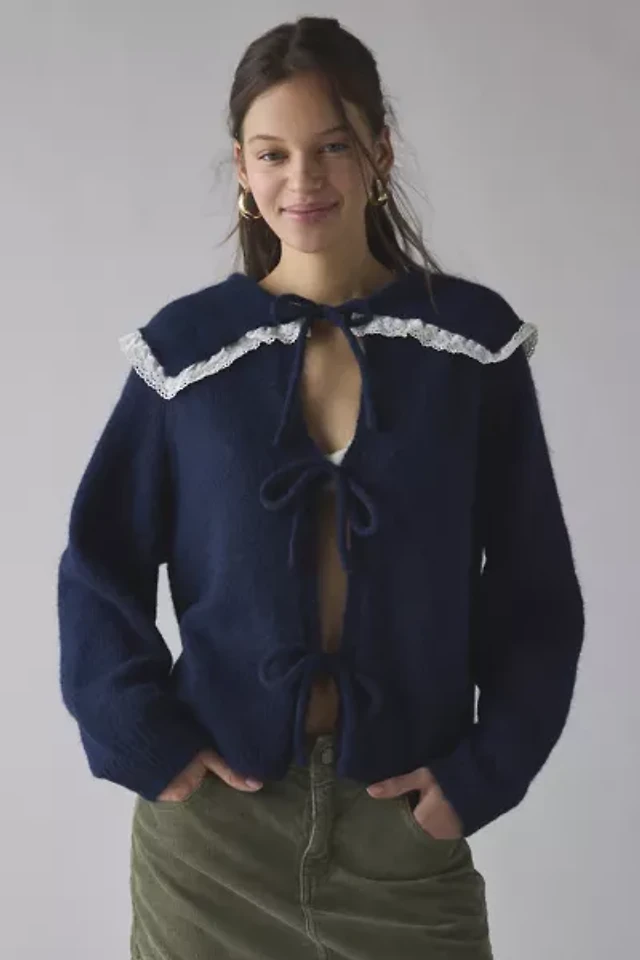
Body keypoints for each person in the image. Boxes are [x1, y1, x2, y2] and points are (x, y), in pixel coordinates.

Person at [56, 15, 585, 960]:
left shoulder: (470, 346)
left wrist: (484, 773)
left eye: (333, 146)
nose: (303, 179)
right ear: (243, 168)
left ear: (380, 152)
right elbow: (98, 566)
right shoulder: (185, 354)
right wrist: (147, 741)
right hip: (213, 844)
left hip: (402, 841)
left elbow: (535, 587)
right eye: (274, 153)